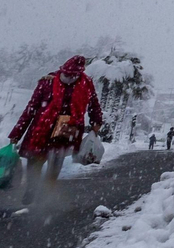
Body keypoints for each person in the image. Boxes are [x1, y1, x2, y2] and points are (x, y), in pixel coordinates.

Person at [9, 55, 104, 201]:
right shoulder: (47, 82)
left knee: (56, 160)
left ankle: (47, 192)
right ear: (62, 70)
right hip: (42, 128)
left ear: (79, 74)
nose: (69, 78)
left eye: (72, 76)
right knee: (35, 158)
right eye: (66, 74)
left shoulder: (86, 83)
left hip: (66, 129)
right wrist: (17, 133)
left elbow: (93, 104)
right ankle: (31, 189)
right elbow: (31, 108)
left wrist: (96, 121)